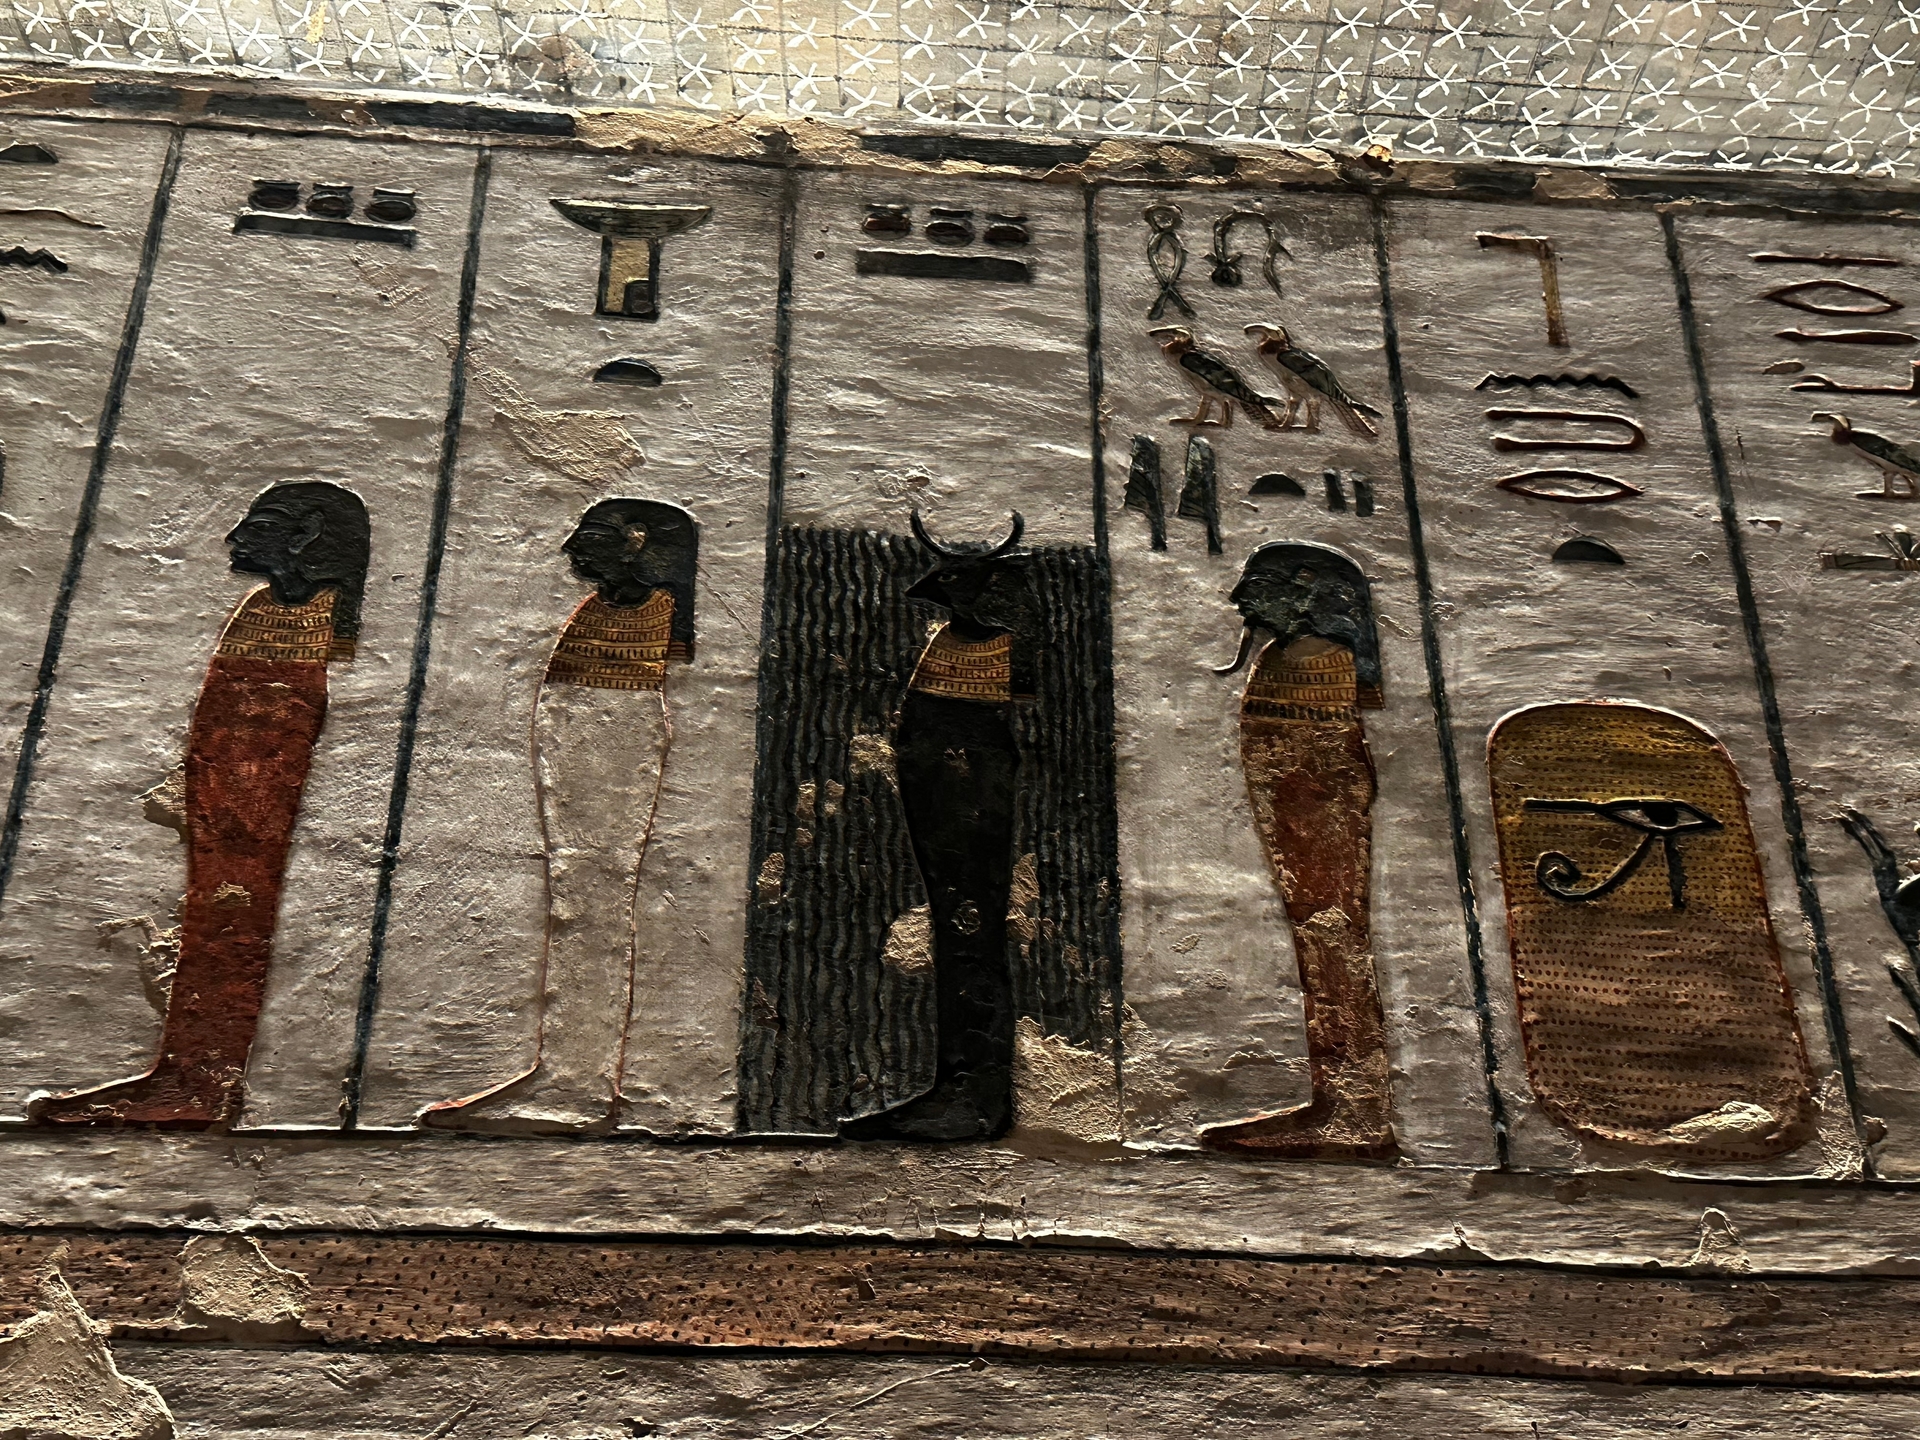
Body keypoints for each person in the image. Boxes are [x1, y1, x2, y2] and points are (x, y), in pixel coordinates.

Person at [36, 482, 368, 1127]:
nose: (235, 538)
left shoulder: (311, 617)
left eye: (259, 525)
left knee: (232, 909)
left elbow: (276, 722)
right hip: (225, 784)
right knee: (214, 909)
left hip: (252, 789)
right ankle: (188, 1072)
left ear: (304, 537)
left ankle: (201, 1082)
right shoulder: (265, 606)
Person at [426, 498, 696, 1133]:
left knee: (594, 901)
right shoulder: (600, 611)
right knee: (581, 901)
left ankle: (579, 1084)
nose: (572, 547)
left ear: (635, 542)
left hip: (609, 739)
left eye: (590, 535)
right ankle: (571, 1073)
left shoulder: (651, 613)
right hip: (587, 736)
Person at [1200, 541, 1396, 1159]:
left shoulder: (1318, 660)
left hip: (1314, 808)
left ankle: (1356, 1111)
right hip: (1301, 808)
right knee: (1324, 947)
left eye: (1259, 586)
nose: (1240, 599)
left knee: (1333, 943)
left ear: (1306, 595)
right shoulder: (1287, 658)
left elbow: (1315, 765)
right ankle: (1342, 1101)